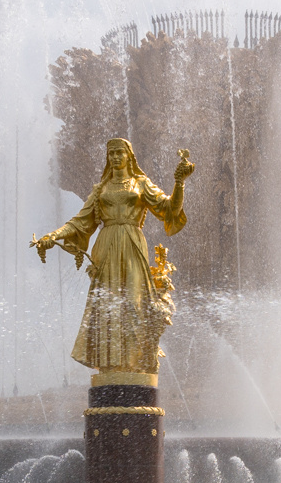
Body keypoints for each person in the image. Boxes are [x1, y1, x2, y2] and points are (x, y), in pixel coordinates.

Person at [30, 138, 190, 378]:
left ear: (129, 156)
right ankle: (111, 366)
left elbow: (170, 209)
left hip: (133, 244)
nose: (115, 157)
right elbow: (80, 221)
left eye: (120, 153)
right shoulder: (101, 189)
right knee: (108, 306)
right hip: (106, 246)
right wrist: (53, 235)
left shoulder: (140, 183)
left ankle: (136, 363)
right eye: (111, 153)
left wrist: (179, 182)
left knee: (135, 303)